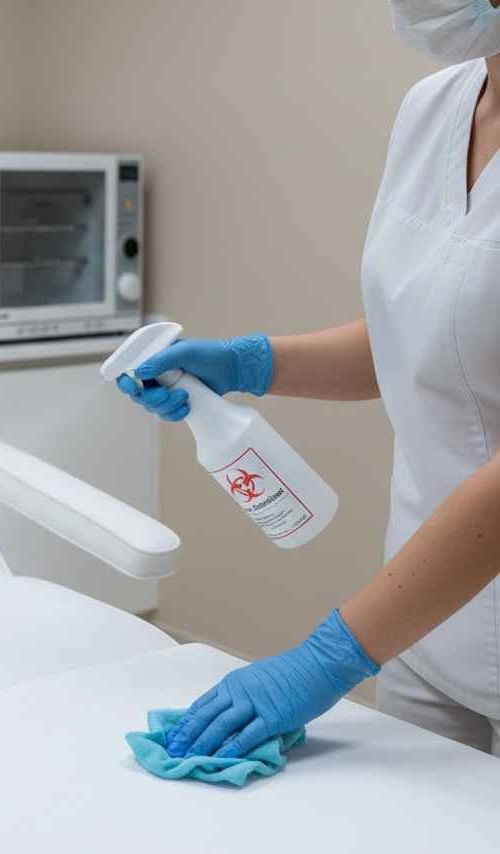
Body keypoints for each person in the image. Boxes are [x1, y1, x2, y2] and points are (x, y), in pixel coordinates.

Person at [118, 0, 500, 760]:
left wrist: (331, 656)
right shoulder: (435, 107)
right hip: (422, 621)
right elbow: (425, 339)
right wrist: (250, 364)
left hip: (389, 622)